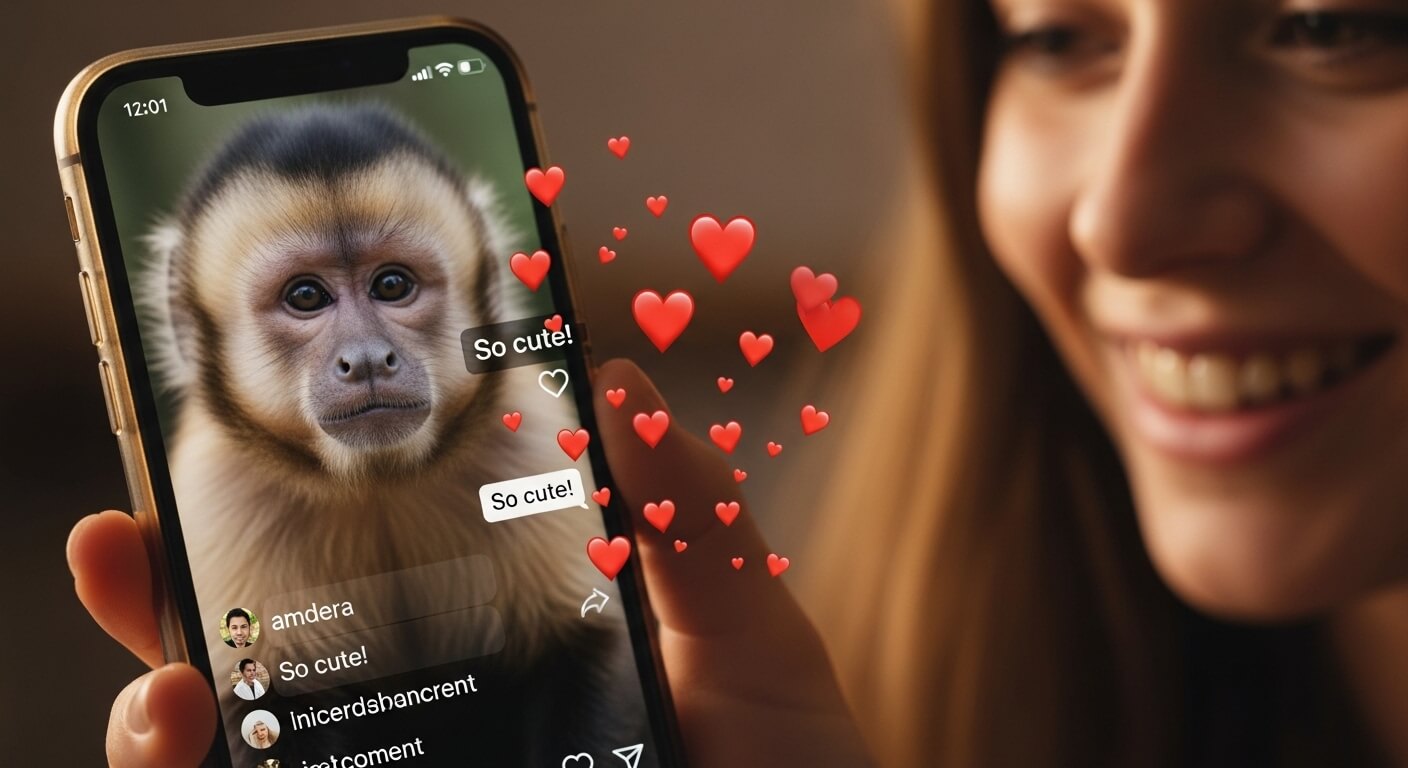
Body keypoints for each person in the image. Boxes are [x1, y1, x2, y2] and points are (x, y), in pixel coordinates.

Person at [66, 1, 1408, 766]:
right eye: (1056, 33)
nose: (1120, 217)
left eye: (1337, 22)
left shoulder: (529, 454)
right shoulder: (906, 685)